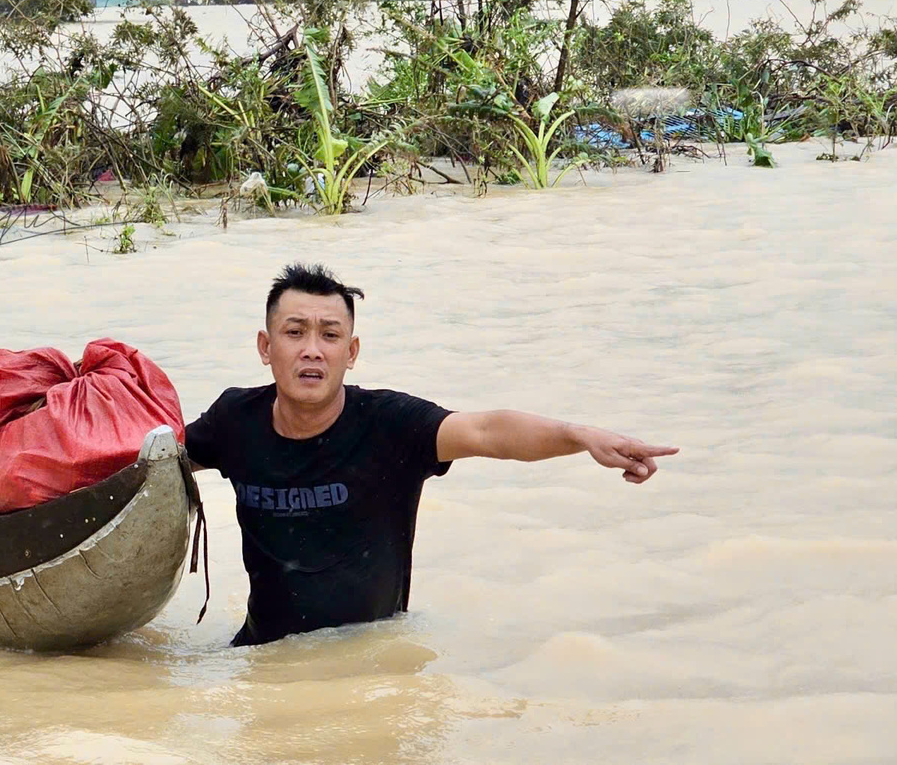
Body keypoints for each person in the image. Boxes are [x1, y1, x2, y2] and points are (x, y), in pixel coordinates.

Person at [184, 263, 677, 646]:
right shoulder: (234, 420)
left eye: (330, 335)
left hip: (371, 657)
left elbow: (486, 431)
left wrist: (579, 436)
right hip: (262, 656)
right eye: (295, 333)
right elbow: (156, 464)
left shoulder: (390, 425)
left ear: (351, 352)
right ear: (265, 346)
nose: (312, 349)